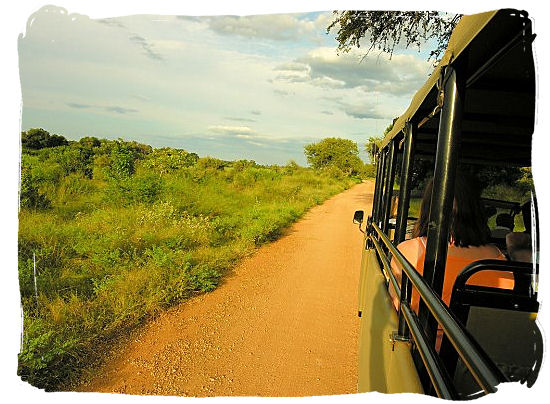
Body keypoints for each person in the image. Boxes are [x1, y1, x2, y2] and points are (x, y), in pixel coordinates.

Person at [389, 173, 514, 314]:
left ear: (429, 207)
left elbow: (395, 308)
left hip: (424, 336)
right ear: (477, 209)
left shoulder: (408, 251)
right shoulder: (499, 258)